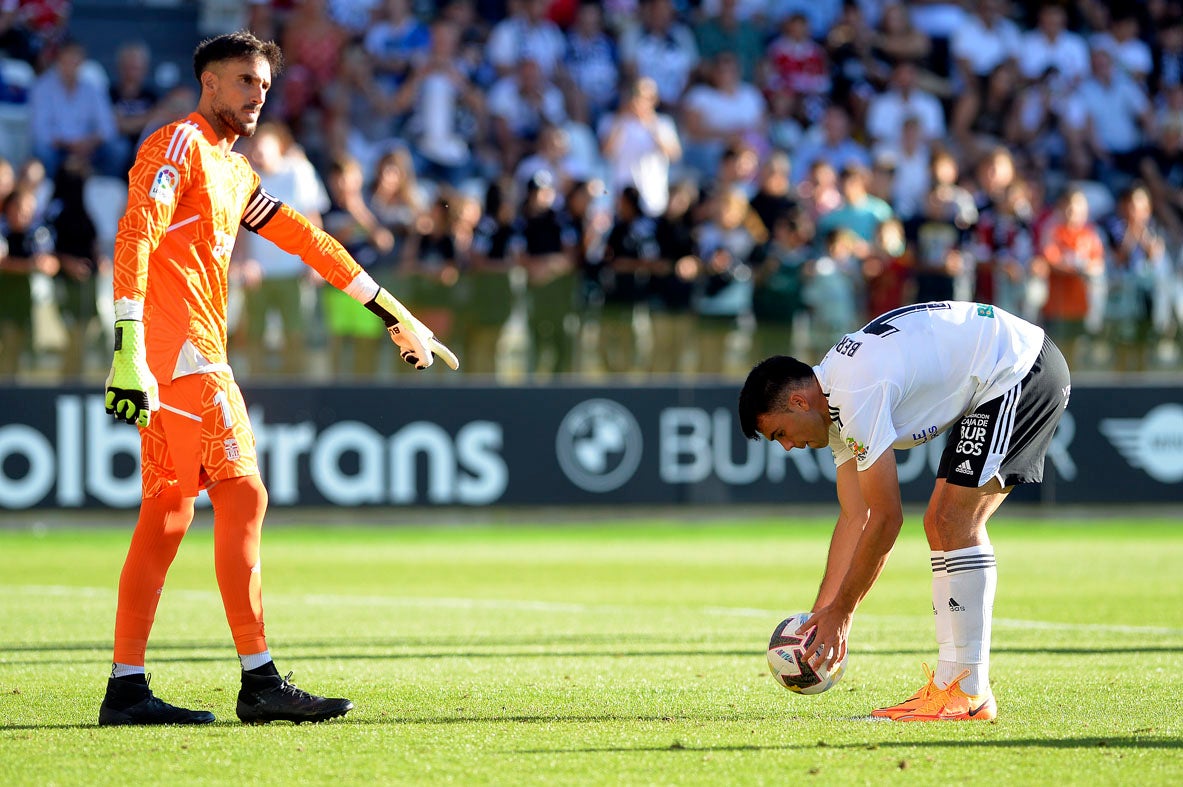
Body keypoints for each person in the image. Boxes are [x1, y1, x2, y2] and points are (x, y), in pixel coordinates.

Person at [98, 31, 458, 728]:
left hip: (173, 359)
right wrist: (129, 345)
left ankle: (126, 686)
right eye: (243, 82)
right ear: (208, 83)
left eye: (263, 85)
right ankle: (260, 680)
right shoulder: (177, 144)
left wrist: (392, 310)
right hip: (184, 356)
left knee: (168, 514)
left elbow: (307, 240)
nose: (257, 96)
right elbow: (136, 233)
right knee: (243, 492)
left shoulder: (234, 175)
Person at [737, 301, 1071, 721]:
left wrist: (845, 609)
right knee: (941, 522)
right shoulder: (833, 402)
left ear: (800, 402)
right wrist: (821, 618)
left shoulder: (853, 392)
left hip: (1020, 368)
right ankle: (956, 689)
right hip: (996, 373)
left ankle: (967, 692)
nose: (786, 446)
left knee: (954, 522)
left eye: (780, 433)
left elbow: (887, 518)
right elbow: (854, 517)